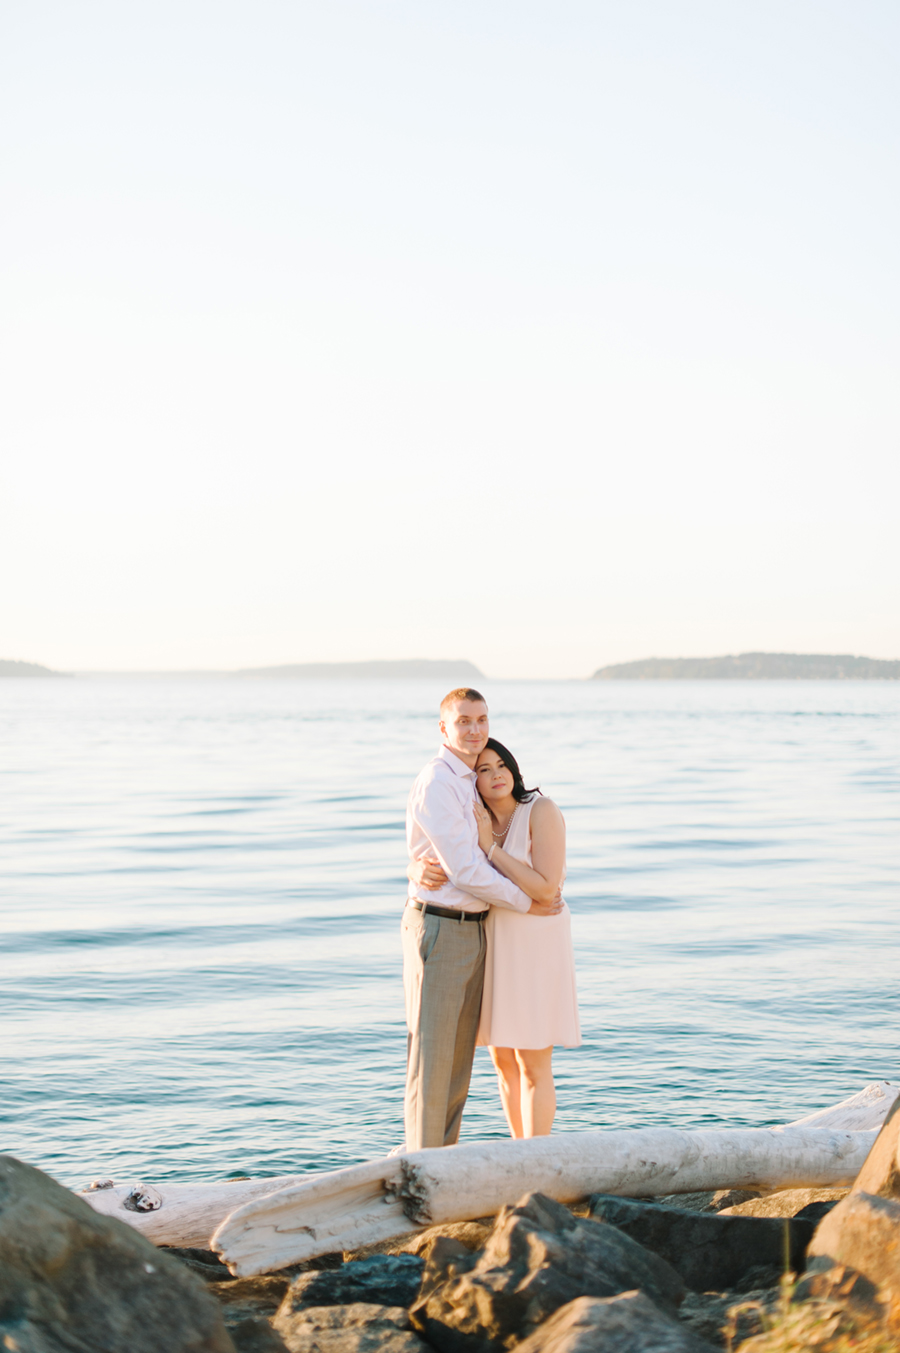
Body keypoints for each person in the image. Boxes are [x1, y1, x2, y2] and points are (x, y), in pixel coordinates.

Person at [403, 688, 562, 1152]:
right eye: (464, 721)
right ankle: (424, 1168)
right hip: (443, 924)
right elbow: (465, 869)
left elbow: (434, 848)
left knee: (457, 1064)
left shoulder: (473, 781)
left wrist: (414, 862)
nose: (474, 730)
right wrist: (527, 903)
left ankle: (443, 1160)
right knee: (433, 1059)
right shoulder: (439, 780)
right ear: (444, 728)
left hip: (480, 932)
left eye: (481, 720)